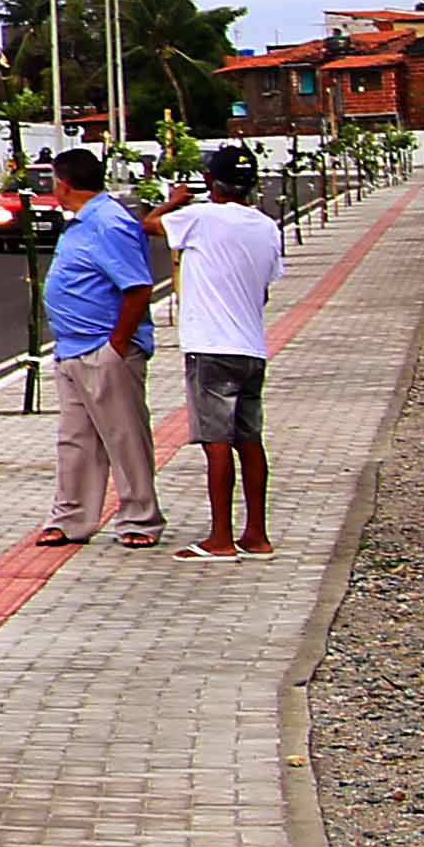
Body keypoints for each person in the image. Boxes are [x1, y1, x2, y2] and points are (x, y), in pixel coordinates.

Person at [37, 144, 168, 547]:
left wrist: (117, 344)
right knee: (75, 438)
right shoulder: (81, 222)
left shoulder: (110, 223)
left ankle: (139, 518)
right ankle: (72, 517)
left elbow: (137, 286)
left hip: (104, 349)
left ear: (63, 184)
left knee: (124, 434)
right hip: (72, 347)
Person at [168, 147, 285, 559]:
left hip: (209, 347)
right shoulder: (268, 227)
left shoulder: (198, 217)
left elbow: (149, 226)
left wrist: (174, 200)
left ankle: (220, 538)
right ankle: (257, 534)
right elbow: (266, 287)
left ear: (208, 180)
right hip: (252, 347)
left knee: (216, 442)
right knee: (250, 440)